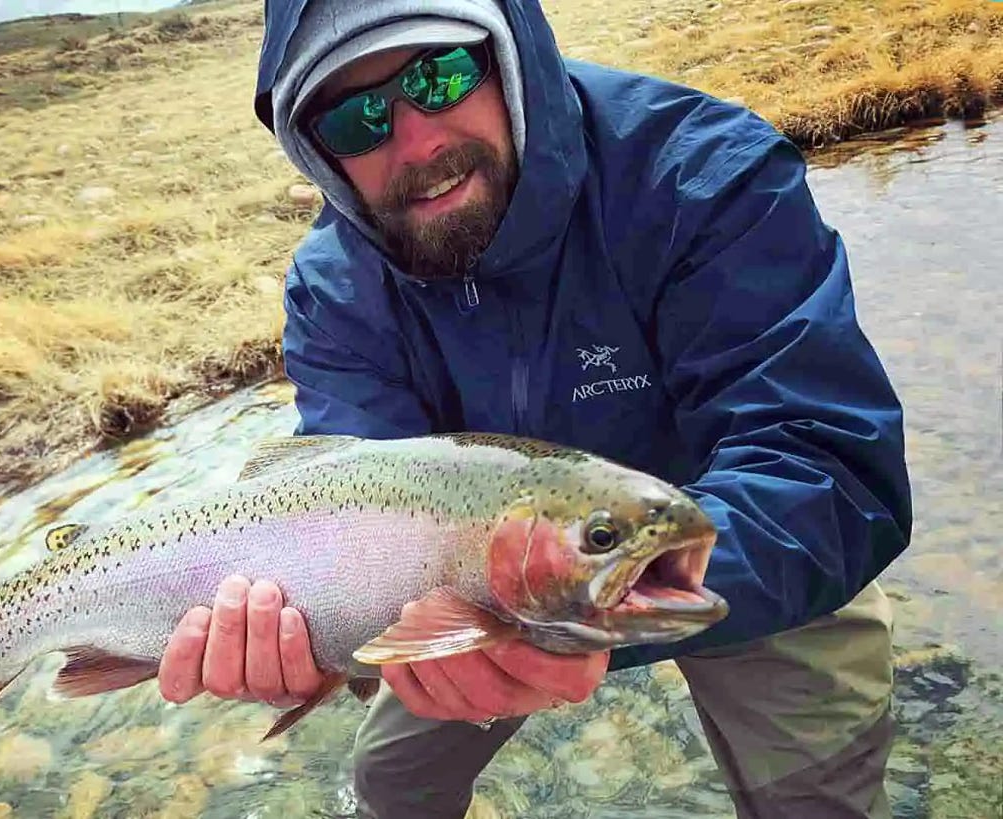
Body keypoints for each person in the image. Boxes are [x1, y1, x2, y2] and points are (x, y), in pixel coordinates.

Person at [156, 0, 914, 816]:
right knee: (389, 785)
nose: (419, 141)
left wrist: (578, 608)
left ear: (508, 57)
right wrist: (321, 640)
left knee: (816, 796)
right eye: (355, 118)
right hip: (472, 605)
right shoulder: (335, 286)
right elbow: (347, 504)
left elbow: (830, 467)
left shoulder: (702, 173)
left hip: (715, 550)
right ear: (319, 154)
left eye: (440, 76)